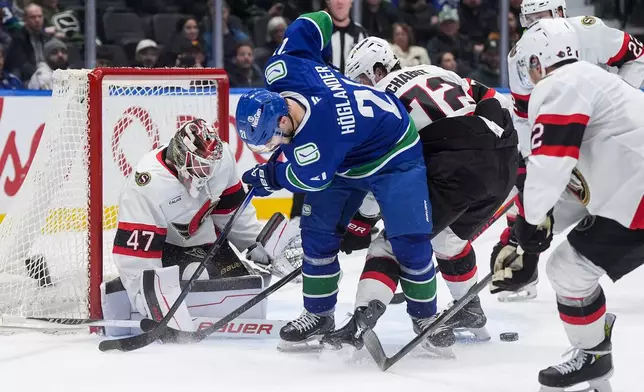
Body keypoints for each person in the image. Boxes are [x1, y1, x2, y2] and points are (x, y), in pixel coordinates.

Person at [235, 11, 437, 351]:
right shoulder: (283, 69)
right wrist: (325, 45)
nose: (272, 146)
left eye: (272, 137)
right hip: (347, 155)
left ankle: (427, 318)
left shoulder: (319, 134)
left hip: (392, 152)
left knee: (409, 240)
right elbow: (316, 21)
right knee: (317, 233)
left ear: (284, 118)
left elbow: (308, 179)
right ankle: (319, 314)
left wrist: (267, 175)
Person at [323, 36, 518, 356]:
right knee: (448, 241)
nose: (359, 85)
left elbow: (380, 170)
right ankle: (469, 309)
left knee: (390, 244)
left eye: (359, 77)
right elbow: (496, 101)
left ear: (377, 69)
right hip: (503, 161)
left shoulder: (376, 100)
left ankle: (359, 323)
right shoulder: (439, 71)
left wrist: (362, 220)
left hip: (454, 165)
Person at [490, 18, 644, 392]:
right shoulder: (593, 83)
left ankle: (593, 353)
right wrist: (526, 236)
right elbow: (571, 188)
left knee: (570, 269)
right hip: (632, 195)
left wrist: (527, 234)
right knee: (569, 267)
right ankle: (593, 350)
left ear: (538, 62)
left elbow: (550, 163)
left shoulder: (562, 84)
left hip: (637, 198)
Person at [111, 119, 302, 332]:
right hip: (165, 248)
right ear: (180, 157)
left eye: (211, 165)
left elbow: (230, 209)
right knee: (196, 276)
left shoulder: (222, 160)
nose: (208, 172)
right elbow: (137, 259)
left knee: (242, 286)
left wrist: (253, 243)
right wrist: (155, 307)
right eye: (201, 165)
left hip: (206, 241)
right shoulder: (146, 185)